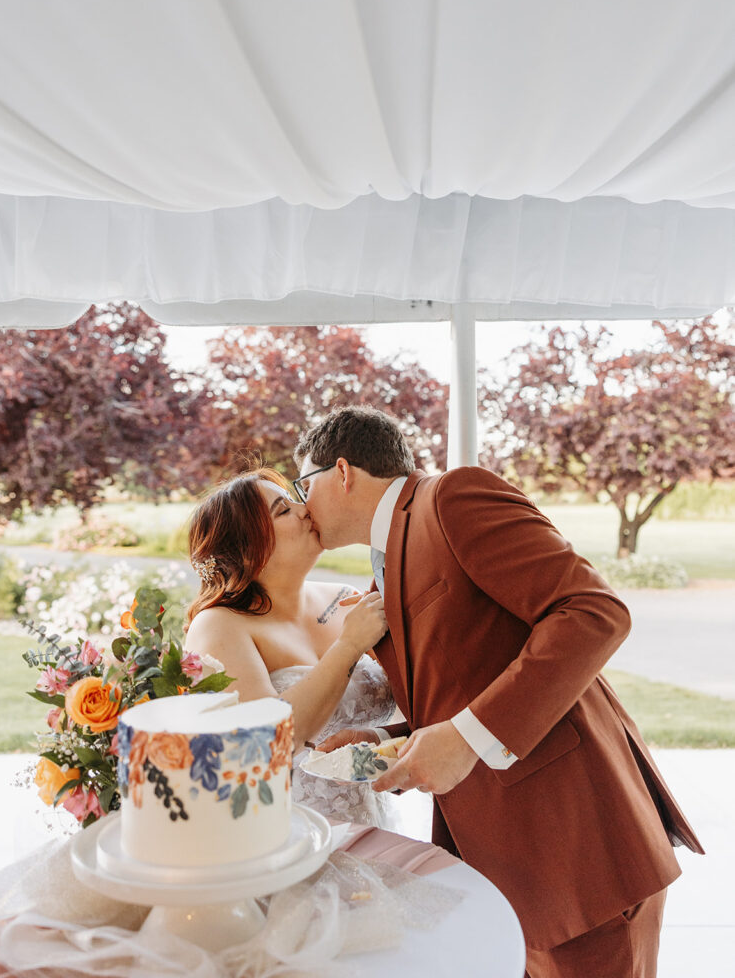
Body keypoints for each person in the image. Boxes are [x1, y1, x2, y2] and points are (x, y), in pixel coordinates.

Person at [293, 406, 704, 978]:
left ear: (341, 472)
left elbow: (593, 611)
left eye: (301, 484)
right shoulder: (382, 566)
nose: (301, 505)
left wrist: (461, 740)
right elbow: (471, 681)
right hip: (509, 866)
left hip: (576, 846)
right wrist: (392, 739)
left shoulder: (451, 498)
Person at [183, 466, 398, 826]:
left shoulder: (346, 600)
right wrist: (349, 645)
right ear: (247, 551)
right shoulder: (219, 627)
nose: (304, 509)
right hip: (289, 836)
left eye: (295, 502)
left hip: (375, 824)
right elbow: (266, 744)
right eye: (283, 510)